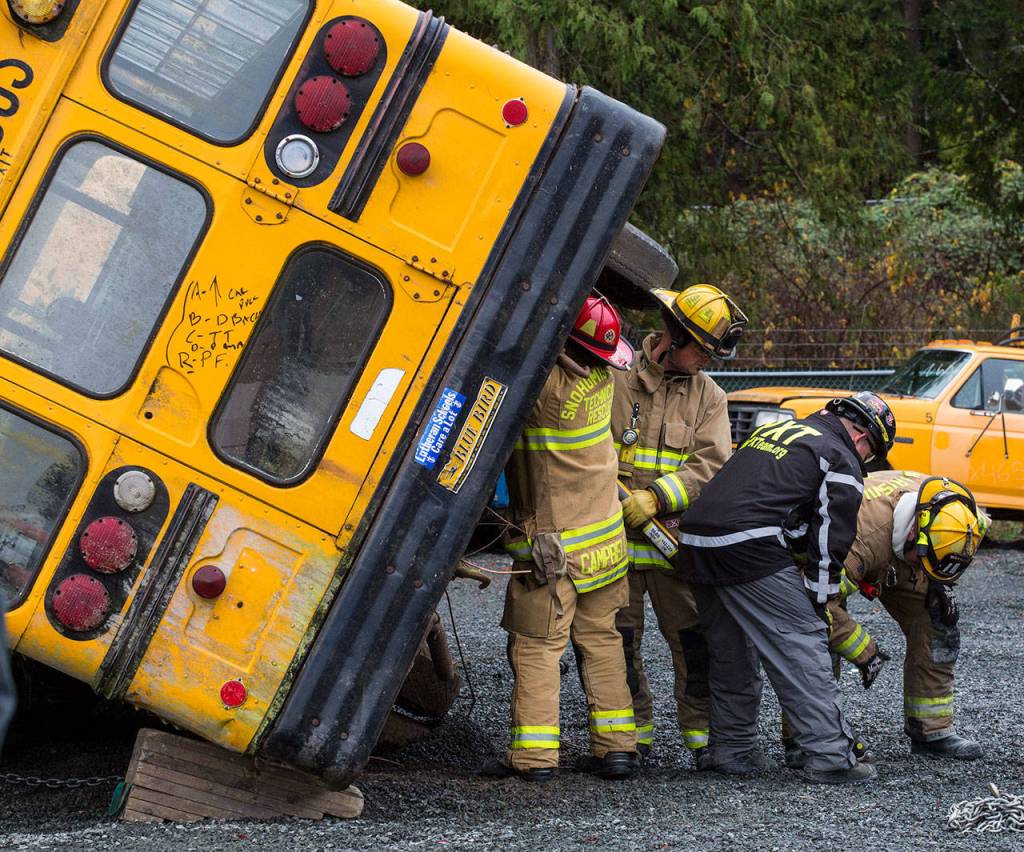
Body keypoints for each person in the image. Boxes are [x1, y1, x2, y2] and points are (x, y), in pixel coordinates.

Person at [674, 391, 896, 784]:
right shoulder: (839, 456)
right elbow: (831, 538)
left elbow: (770, 501)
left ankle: (733, 749)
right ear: (864, 440)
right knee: (801, 640)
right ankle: (831, 755)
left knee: (731, 649)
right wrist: (820, 596)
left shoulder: (778, 432)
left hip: (695, 542)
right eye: (870, 456)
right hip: (747, 545)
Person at [485, 294, 638, 782]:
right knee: (602, 641)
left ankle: (534, 757)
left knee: (537, 647)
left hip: (557, 552)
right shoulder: (604, 377)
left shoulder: (543, 388)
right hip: (606, 542)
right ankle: (617, 750)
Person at [611, 285, 744, 764]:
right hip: (613, 549)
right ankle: (629, 742)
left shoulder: (710, 398)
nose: (706, 362)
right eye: (702, 351)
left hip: (672, 548)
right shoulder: (616, 377)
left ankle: (702, 741)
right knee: (617, 647)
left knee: (694, 646)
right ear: (674, 335)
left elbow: (711, 466)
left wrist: (655, 498)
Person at [784, 470, 988, 764]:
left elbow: (943, 556)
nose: (925, 570)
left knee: (938, 621)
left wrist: (941, 583)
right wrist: (866, 651)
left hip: (902, 552)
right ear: (913, 533)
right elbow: (814, 605)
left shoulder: (962, 520)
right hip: (859, 550)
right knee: (818, 634)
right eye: (926, 562)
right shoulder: (856, 535)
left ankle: (931, 731)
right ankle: (808, 739)